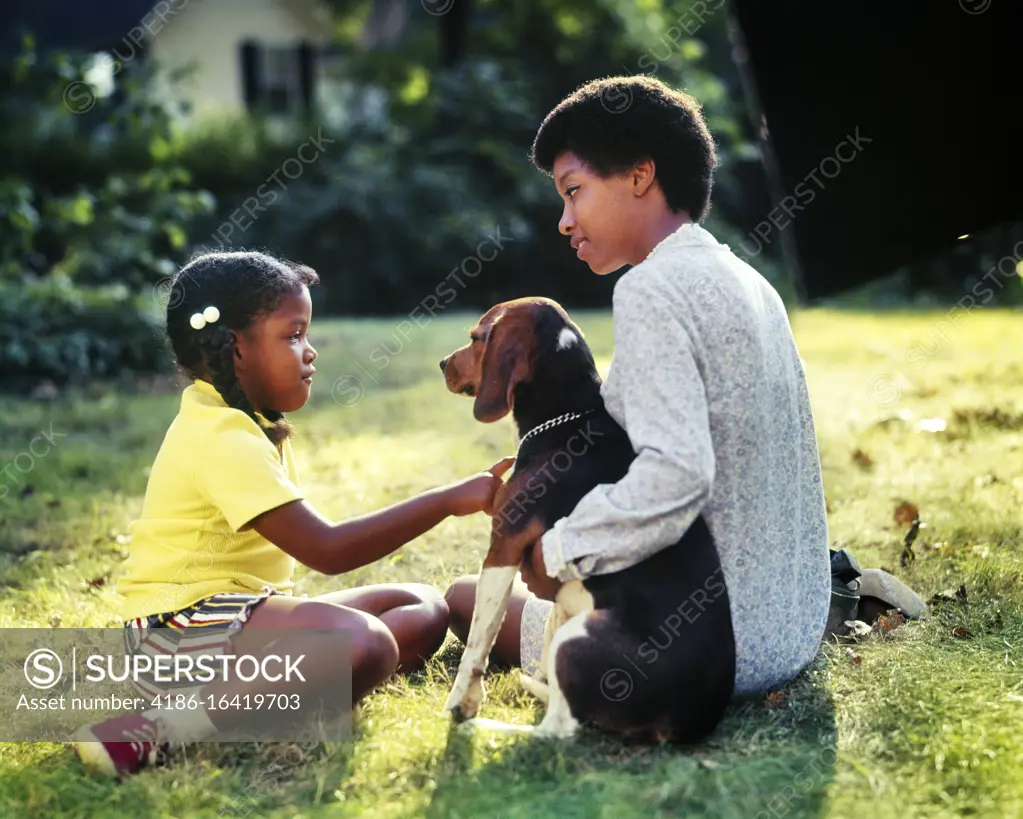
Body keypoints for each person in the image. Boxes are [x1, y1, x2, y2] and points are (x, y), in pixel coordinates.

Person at [445, 75, 833, 705]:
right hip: (793, 625)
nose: (565, 222)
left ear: (639, 175)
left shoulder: (650, 289)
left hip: (704, 643)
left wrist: (564, 548)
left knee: (464, 599)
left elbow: (677, 475)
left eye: (574, 193)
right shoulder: (751, 282)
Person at [75, 251, 513, 776]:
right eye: (293, 335)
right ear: (234, 347)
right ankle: (158, 729)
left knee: (422, 608)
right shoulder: (221, 436)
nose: (311, 353)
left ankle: (276, 699)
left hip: (236, 617)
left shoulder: (246, 420)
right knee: (367, 643)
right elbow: (328, 551)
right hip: (175, 635)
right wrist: (447, 500)